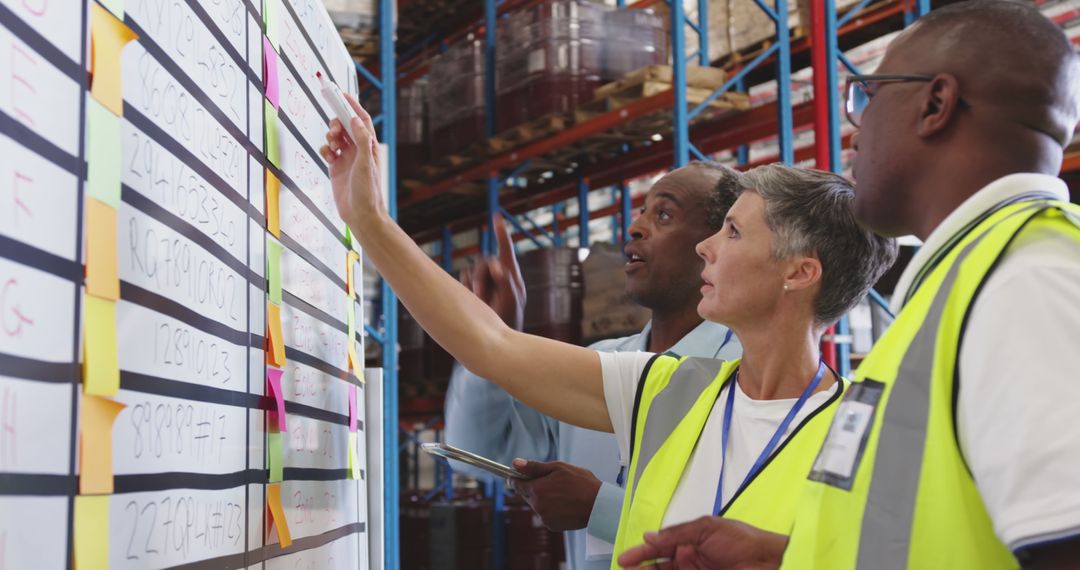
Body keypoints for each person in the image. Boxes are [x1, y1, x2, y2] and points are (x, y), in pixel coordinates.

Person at [318, 96, 896, 564]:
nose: (706, 247)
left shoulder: (861, 439)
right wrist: (368, 219)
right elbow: (490, 345)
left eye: (735, 235)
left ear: (800, 272)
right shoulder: (669, 386)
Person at [616, 2, 1080, 568]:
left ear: (936, 104)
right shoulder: (971, 279)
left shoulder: (1027, 283)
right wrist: (788, 559)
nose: (854, 131)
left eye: (868, 96)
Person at [444, 163, 744, 570]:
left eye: (664, 215)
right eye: (641, 211)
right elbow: (472, 454)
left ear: (713, 247)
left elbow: (748, 538)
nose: (635, 227)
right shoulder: (597, 365)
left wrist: (600, 508)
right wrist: (488, 340)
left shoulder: (746, 378)